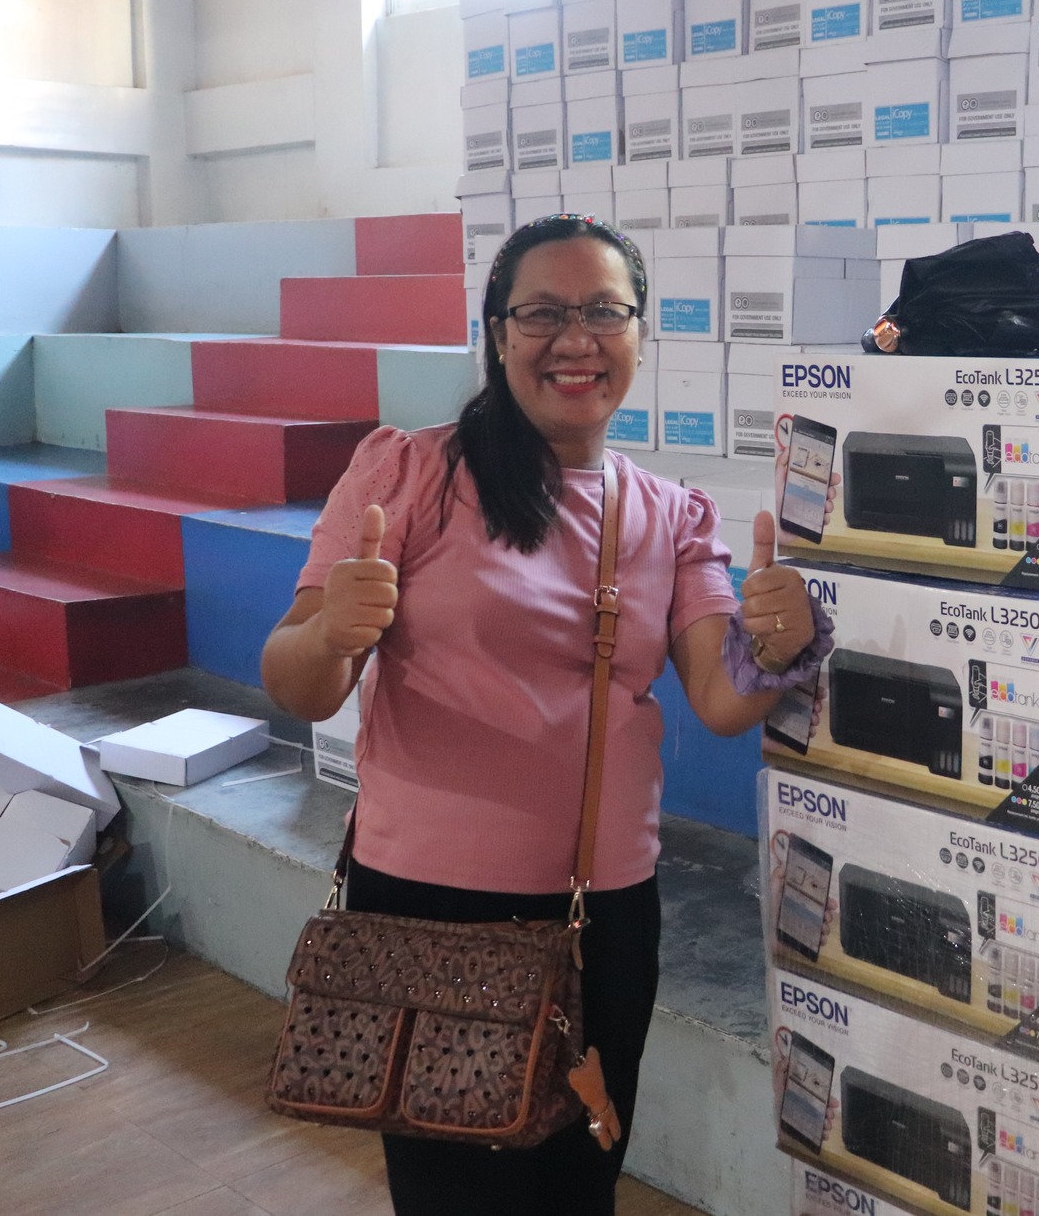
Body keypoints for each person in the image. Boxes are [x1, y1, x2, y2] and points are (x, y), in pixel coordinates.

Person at [262, 214, 827, 1215]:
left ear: (641, 333)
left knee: (578, 1182)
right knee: (451, 1196)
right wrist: (333, 634)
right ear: (497, 333)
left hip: (599, 917)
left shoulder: (669, 514)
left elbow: (721, 696)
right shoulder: (409, 474)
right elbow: (297, 681)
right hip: (430, 908)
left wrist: (780, 646)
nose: (576, 340)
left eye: (605, 312)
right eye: (542, 314)